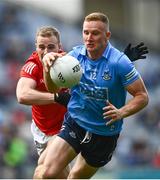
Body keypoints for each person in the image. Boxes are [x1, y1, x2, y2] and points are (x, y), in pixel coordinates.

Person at [33, 12, 149, 179]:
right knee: (45, 173)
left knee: (74, 178)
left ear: (107, 35)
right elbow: (53, 90)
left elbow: (142, 96)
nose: (89, 37)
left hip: (104, 134)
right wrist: (47, 68)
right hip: (75, 123)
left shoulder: (119, 62)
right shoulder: (73, 57)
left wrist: (121, 112)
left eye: (95, 33)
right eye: (86, 32)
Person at [16, 26, 70, 178]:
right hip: (42, 130)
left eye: (51, 47)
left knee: (44, 170)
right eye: (41, 47)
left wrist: (121, 59)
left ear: (60, 47)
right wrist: (56, 97)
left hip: (65, 127)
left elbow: (94, 64)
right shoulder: (32, 65)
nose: (46, 51)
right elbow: (22, 95)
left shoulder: (68, 62)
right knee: (63, 176)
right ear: (36, 47)